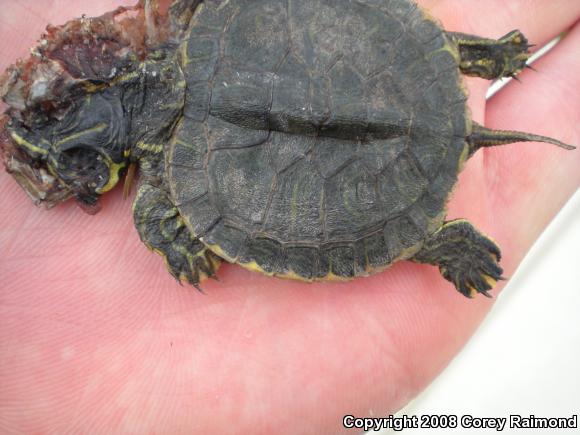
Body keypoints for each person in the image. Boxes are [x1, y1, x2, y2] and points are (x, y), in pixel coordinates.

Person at [0, 1, 578, 433]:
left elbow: (192, 246)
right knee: (373, 53)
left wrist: (179, 244)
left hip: (378, 181)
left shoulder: (161, 203)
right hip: (386, 79)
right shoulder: (210, 24)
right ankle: (474, 61)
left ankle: (437, 240)